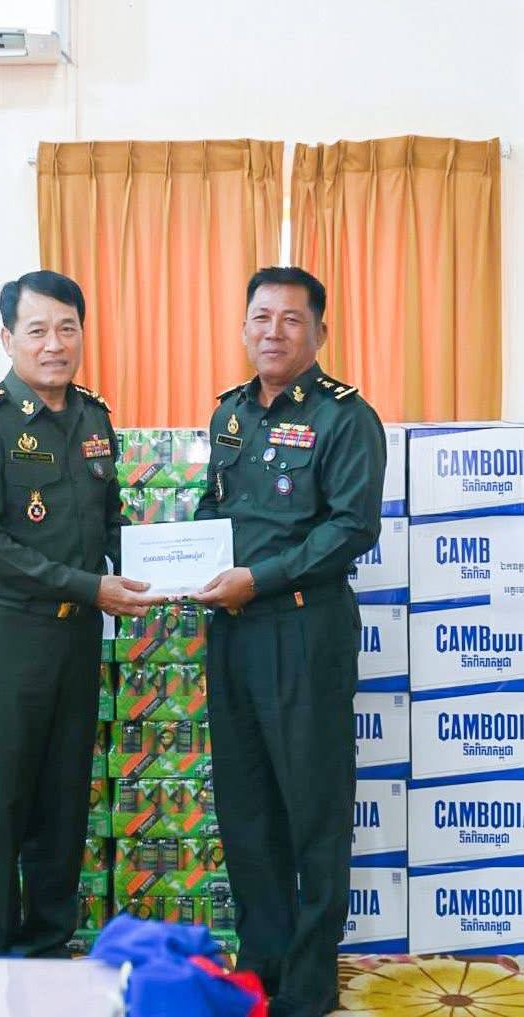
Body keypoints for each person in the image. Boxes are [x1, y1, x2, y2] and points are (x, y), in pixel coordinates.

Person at [194, 266, 386, 1017]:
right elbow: (214, 511)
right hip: (232, 632)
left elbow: (351, 528)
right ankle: (263, 966)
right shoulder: (229, 413)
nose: (273, 332)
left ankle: (307, 984)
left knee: (312, 810)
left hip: (305, 630)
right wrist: (182, 561)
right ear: (244, 327)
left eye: (291, 319)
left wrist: (260, 578)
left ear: (319, 332)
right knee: (247, 808)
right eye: (261, 317)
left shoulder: (346, 417)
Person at [0, 270, 152, 957]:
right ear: (8, 339)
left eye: (67, 328)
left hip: (76, 636)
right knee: (1, 800)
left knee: (63, 798)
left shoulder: (93, 417)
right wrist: (92, 587)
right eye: (37, 330)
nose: (54, 344)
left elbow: (109, 521)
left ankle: (47, 949)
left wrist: (169, 566)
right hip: (9, 635)